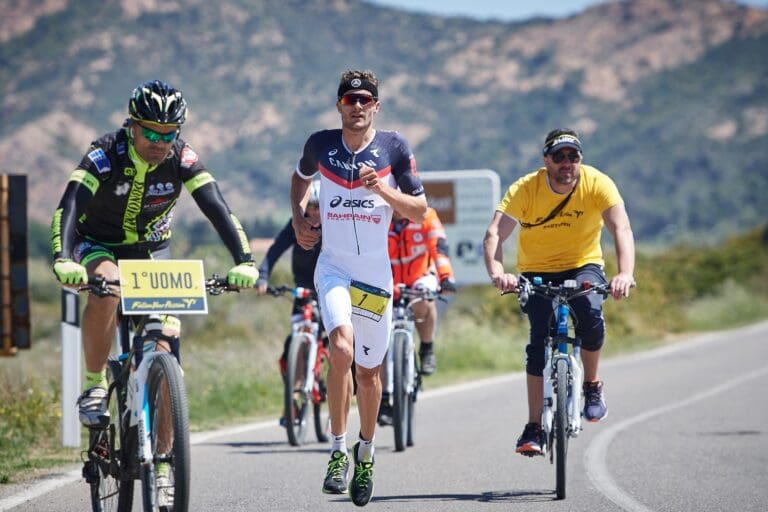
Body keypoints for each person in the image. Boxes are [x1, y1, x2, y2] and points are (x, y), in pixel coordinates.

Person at [50, 79, 259, 434]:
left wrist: (245, 260)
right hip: (98, 243)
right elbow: (68, 205)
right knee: (111, 287)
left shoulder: (182, 157)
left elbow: (218, 209)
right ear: (132, 125)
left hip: (151, 252)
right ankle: (94, 384)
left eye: (169, 134)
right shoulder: (104, 154)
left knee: (166, 353)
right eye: (152, 134)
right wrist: (62, 257)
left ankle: (163, 467)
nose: (160, 144)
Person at [291, 69, 427, 506]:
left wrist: (384, 190)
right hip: (333, 267)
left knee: (369, 375)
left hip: (374, 276)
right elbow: (299, 177)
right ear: (339, 106)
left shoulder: (394, 147)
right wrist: (298, 218)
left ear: (375, 106)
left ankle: (364, 452)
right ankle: (336, 450)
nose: (357, 106)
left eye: (364, 100)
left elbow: (420, 211)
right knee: (342, 350)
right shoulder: (320, 145)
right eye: (349, 100)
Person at [483, 128, 635, 456]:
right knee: (538, 342)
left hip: (584, 265)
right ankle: (533, 426)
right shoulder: (526, 188)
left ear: (580, 159)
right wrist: (499, 273)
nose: (567, 163)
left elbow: (620, 227)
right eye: (559, 156)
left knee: (591, 318)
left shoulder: (597, 183)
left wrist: (625, 273)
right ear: (546, 160)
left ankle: (591, 386)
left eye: (573, 156)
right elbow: (495, 233)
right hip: (537, 271)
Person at [377, 207, 456, 425]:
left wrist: (446, 277)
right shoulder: (377, 215)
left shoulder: (426, 215)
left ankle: (427, 348)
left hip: (421, 275)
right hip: (387, 279)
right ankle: (383, 398)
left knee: (424, 300)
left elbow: (439, 246)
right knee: (378, 338)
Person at [255, 179, 325, 425]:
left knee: (343, 346)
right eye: (311, 208)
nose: (314, 213)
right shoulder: (297, 224)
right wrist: (263, 276)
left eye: (319, 207)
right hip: (302, 292)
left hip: (330, 291)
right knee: (289, 351)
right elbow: (275, 250)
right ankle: (293, 403)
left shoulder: (335, 227)